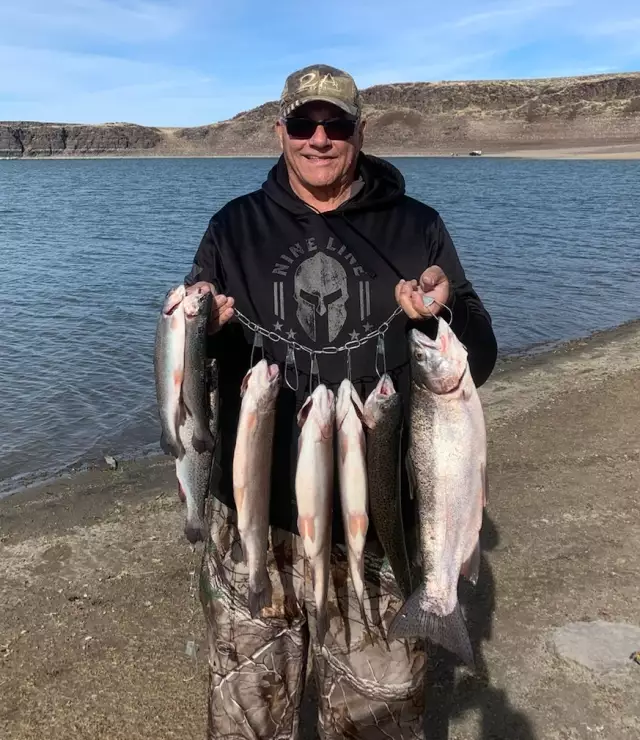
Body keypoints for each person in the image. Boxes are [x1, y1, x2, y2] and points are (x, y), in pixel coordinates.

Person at [184, 64, 497, 740]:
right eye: (304, 124)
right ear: (281, 131)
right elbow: (189, 365)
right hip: (255, 517)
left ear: (361, 132)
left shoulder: (417, 227)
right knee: (248, 720)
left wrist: (436, 317)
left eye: (336, 125)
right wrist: (198, 329)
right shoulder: (233, 228)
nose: (319, 139)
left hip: (382, 514)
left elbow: (483, 354)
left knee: (377, 719)